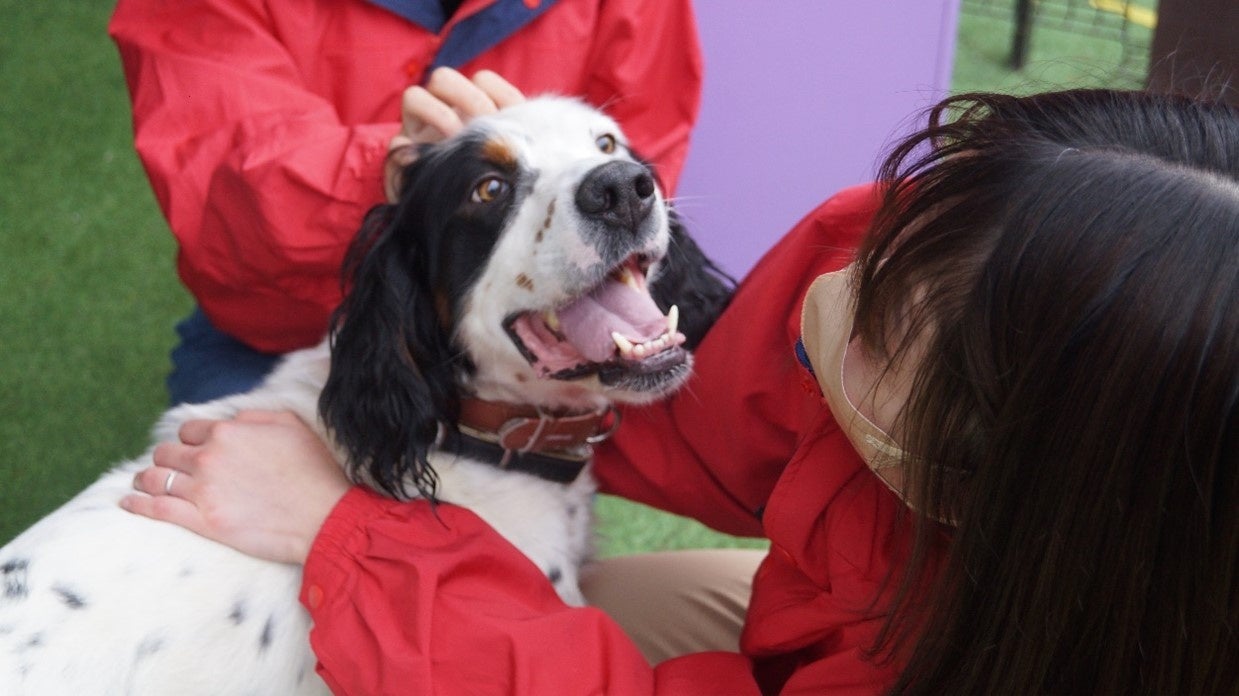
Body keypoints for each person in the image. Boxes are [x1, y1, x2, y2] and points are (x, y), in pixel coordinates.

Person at [123, 87, 1239, 694]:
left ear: (1012, 489)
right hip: (847, 595)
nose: (817, 297)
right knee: (577, 602)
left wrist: (348, 533)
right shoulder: (905, 251)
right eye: (887, 253)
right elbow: (713, 406)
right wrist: (534, 204)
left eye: (892, 334)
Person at [107, 0, 703, 405]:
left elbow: (639, 171)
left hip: (570, 315)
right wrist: (397, 172)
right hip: (280, 335)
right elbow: (221, 188)